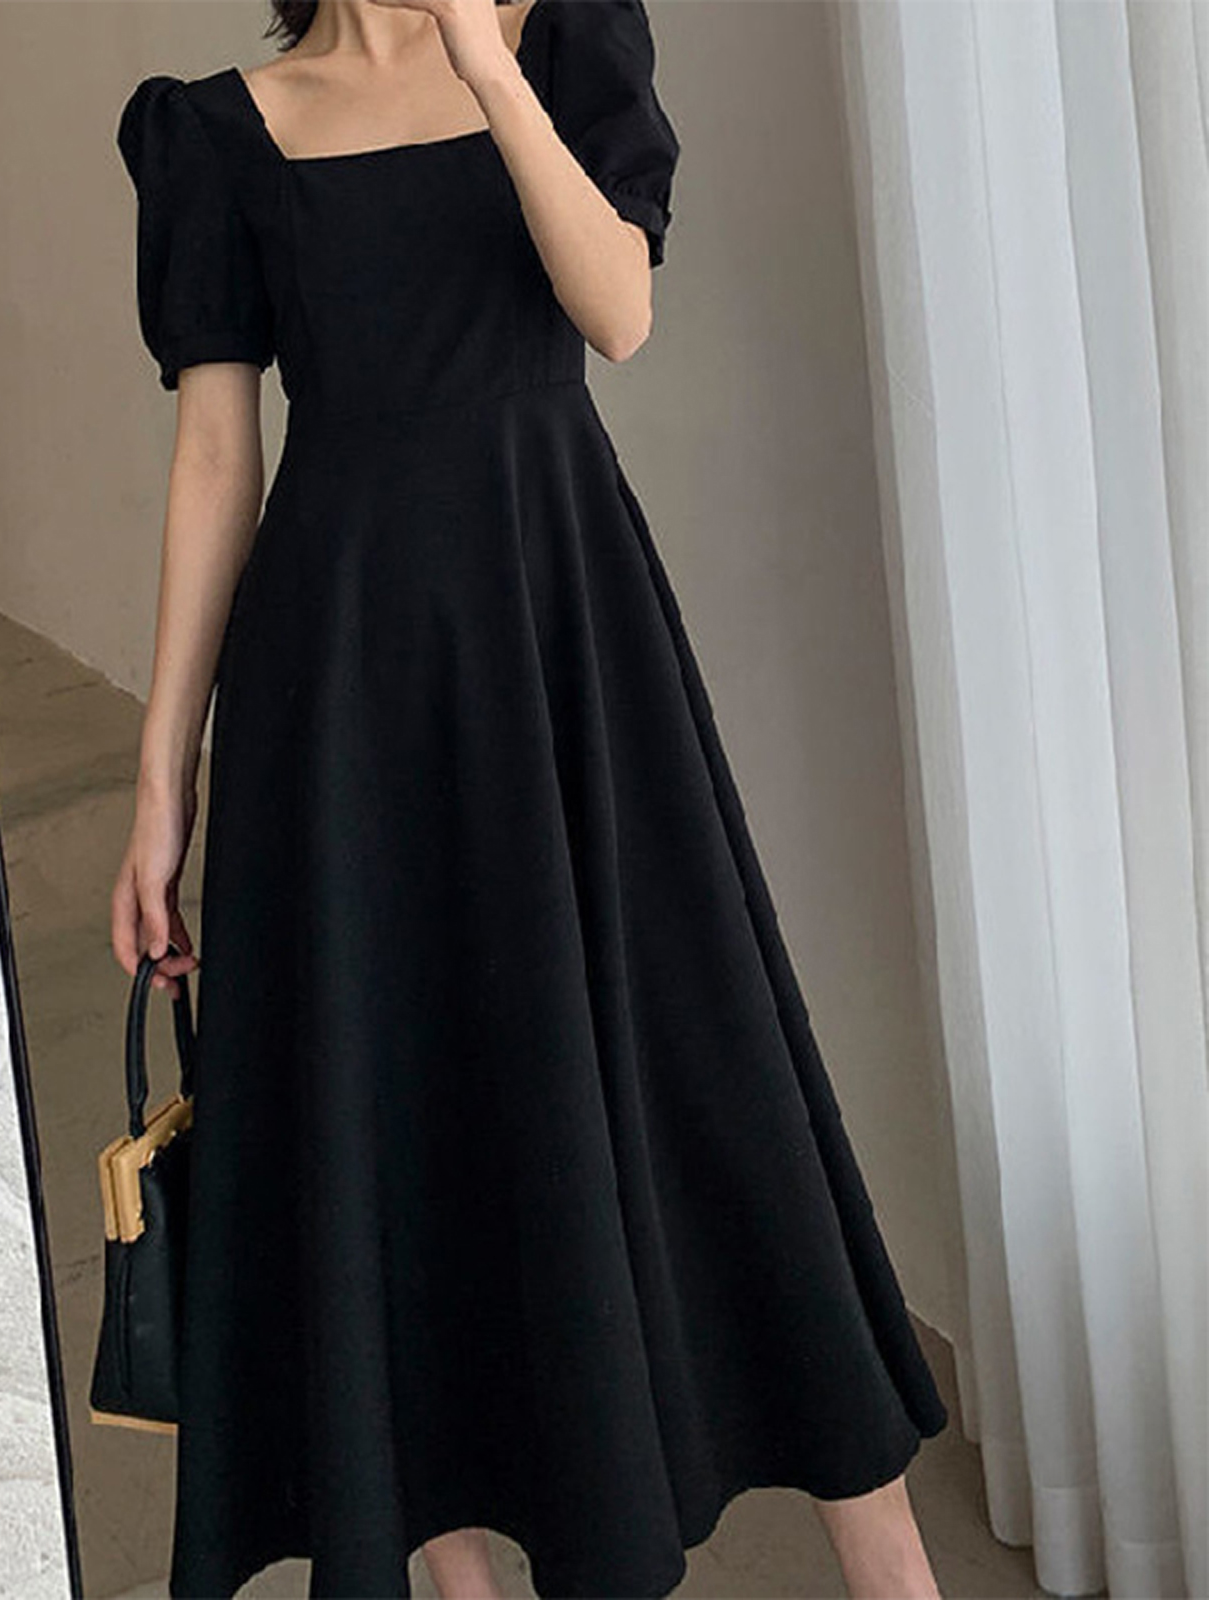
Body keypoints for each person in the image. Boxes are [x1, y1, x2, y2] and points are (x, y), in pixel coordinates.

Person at [108, 2, 949, 1596]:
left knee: (712, 1076)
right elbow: (216, 459)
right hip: (338, 684)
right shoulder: (213, 130)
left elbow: (617, 310)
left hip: (565, 641)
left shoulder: (563, 41)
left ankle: (892, 1572)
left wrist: (485, 61)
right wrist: (166, 783)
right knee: (387, 1110)